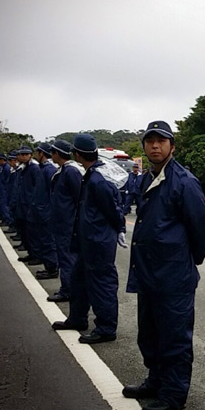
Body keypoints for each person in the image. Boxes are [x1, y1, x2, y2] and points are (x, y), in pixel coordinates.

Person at [122, 120, 205, 410]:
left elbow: (200, 228)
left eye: (161, 141)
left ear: (173, 146)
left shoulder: (184, 182)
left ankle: (173, 394)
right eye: (150, 141)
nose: (155, 146)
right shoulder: (148, 178)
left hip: (173, 277)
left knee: (174, 337)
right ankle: (156, 381)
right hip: (149, 273)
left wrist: (186, 262)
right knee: (150, 333)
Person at [52, 133, 126, 344]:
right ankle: (77, 318)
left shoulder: (98, 179)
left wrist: (119, 227)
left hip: (98, 241)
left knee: (102, 284)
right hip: (88, 239)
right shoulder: (90, 174)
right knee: (79, 280)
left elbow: (112, 209)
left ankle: (106, 328)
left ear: (77, 154)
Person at [47, 140, 84, 302]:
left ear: (57, 153)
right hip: (62, 222)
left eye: (52, 153)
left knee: (67, 258)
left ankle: (68, 290)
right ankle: (67, 287)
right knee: (64, 257)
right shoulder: (63, 170)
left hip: (68, 224)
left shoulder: (71, 171)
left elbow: (79, 198)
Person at [27, 142, 59, 280]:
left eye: (37, 152)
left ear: (42, 154)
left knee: (48, 242)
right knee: (43, 240)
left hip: (46, 212)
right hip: (40, 211)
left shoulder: (49, 170)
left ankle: (52, 268)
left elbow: (52, 192)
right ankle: (48, 266)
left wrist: (46, 210)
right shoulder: (42, 168)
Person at [15, 146, 40, 264]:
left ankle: (36, 255)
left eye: (26, 154)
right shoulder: (23, 168)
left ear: (30, 155)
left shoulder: (34, 168)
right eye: (22, 154)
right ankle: (31, 253)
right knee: (25, 231)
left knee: (33, 233)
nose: (24, 156)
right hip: (22, 204)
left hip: (30, 204)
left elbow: (37, 187)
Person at [0, 154, 12, 226]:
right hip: (1, 188)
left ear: (2, 159)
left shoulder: (6, 168)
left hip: (4, 189)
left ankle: (7, 220)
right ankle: (4, 218)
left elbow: (6, 180)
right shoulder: (2, 167)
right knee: (1, 205)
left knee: (4, 205)